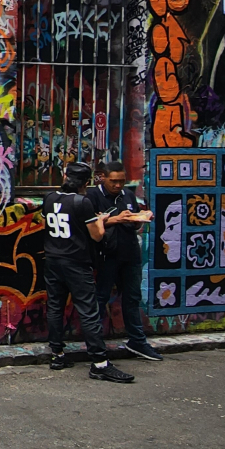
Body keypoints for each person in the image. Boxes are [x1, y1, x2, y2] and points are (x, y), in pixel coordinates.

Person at [43, 161, 133, 382]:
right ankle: (99, 363)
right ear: (87, 182)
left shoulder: (49, 198)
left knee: (55, 306)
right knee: (88, 311)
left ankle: (57, 354)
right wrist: (101, 219)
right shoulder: (81, 202)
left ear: (65, 176)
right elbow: (97, 236)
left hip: (53, 259)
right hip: (76, 262)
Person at [88, 161, 161, 361]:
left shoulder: (127, 195)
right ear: (103, 177)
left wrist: (141, 218)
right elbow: (91, 225)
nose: (118, 185)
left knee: (132, 298)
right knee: (100, 298)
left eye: (122, 181)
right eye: (114, 181)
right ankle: (95, 342)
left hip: (130, 253)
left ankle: (137, 341)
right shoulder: (93, 196)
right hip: (106, 255)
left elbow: (133, 223)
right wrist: (116, 219)